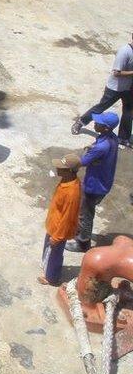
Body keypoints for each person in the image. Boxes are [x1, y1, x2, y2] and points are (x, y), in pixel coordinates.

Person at [66, 112, 120, 252]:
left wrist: (89, 153)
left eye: (98, 123)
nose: (94, 124)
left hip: (94, 186)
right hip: (104, 182)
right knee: (85, 211)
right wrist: (93, 151)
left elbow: (82, 162)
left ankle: (82, 243)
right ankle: (80, 231)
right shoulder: (112, 138)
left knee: (86, 214)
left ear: (106, 128)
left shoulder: (101, 147)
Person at [71, 32, 133, 147]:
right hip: (115, 88)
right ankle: (81, 122)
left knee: (129, 112)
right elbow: (116, 73)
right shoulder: (125, 52)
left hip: (128, 88)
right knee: (100, 108)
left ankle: (123, 138)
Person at [39, 153, 82, 286]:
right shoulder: (67, 180)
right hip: (54, 224)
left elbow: (68, 217)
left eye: (61, 167)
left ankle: (51, 278)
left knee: (55, 253)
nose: (58, 168)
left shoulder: (72, 192)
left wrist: (57, 237)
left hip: (59, 229)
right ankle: (47, 269)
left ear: (69, 171)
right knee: (49, 250)